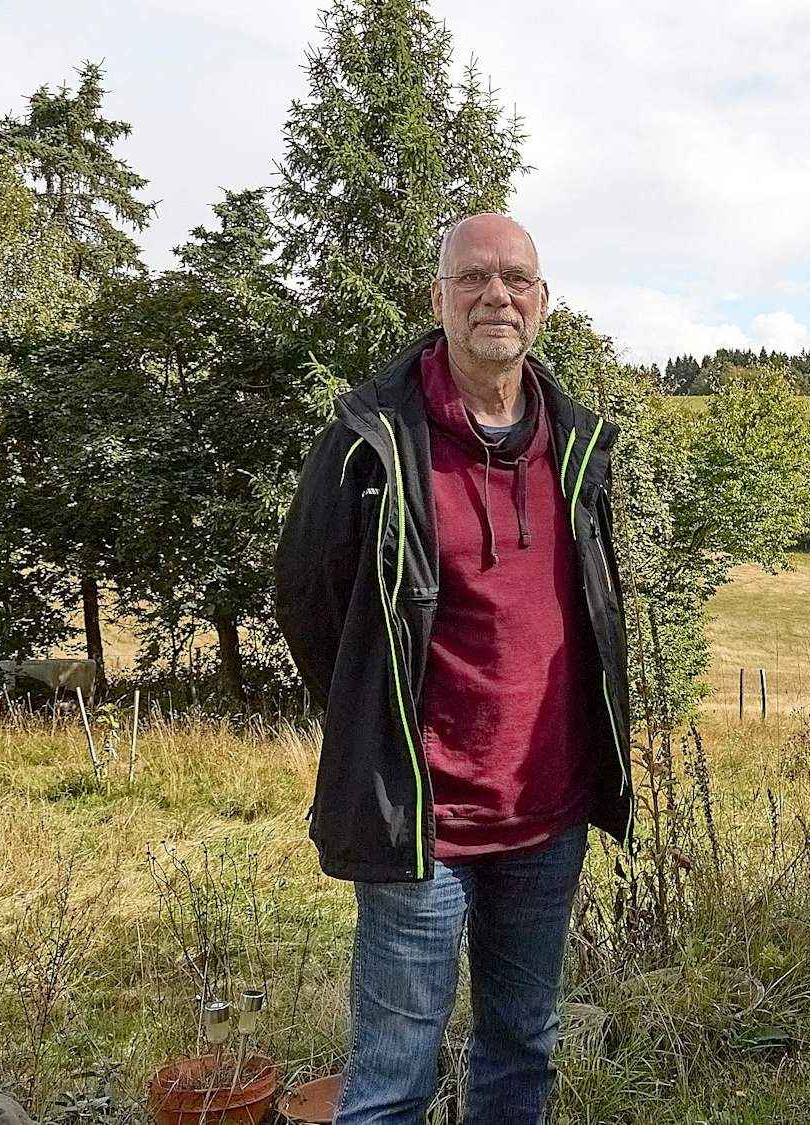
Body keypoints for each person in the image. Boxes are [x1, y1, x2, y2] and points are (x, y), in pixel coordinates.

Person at [275, 213, 631, 1125]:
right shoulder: (371, 440)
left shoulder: (576, 445)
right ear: (437, 300)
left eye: (516, 278)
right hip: (420, 823)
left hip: (548, 812)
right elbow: (312, 606)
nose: (495, 296)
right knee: (396, 1073)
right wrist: (378, 724)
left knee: (523, 1048)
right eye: (472, 278)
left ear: (544, 302)